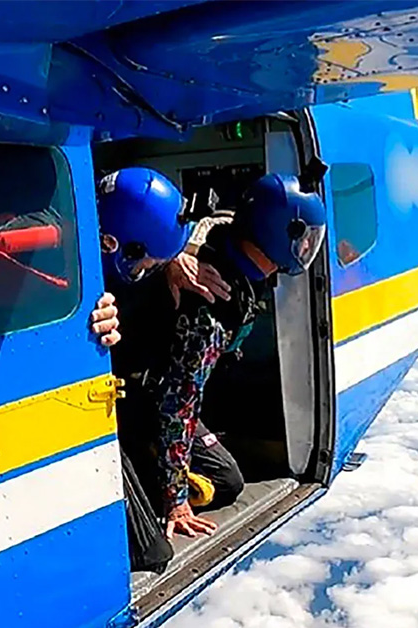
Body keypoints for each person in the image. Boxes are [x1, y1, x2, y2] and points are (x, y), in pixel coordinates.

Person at [105, 168, 327, 540]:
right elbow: (177, 406)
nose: (306, 249)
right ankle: (147, 478)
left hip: (158, 388)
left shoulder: (225, 241)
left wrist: (181, 253)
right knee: (226, 481)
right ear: (278, 233)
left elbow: (212, 219)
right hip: (145, 400)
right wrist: (175, 499)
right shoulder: (215, 304)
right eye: (304, 239)